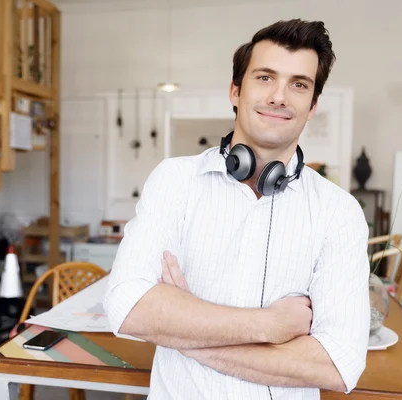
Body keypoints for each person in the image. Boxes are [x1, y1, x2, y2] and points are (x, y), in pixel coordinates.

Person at [103, 18, 370, 400]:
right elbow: (128, 308)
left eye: (299, 84)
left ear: (311, 107)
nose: (280, 96)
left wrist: (183, 327)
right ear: (235, 91)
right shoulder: (174, 180)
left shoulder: (338, 211)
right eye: (265, 77)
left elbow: (338, 364)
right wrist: (271, 326)